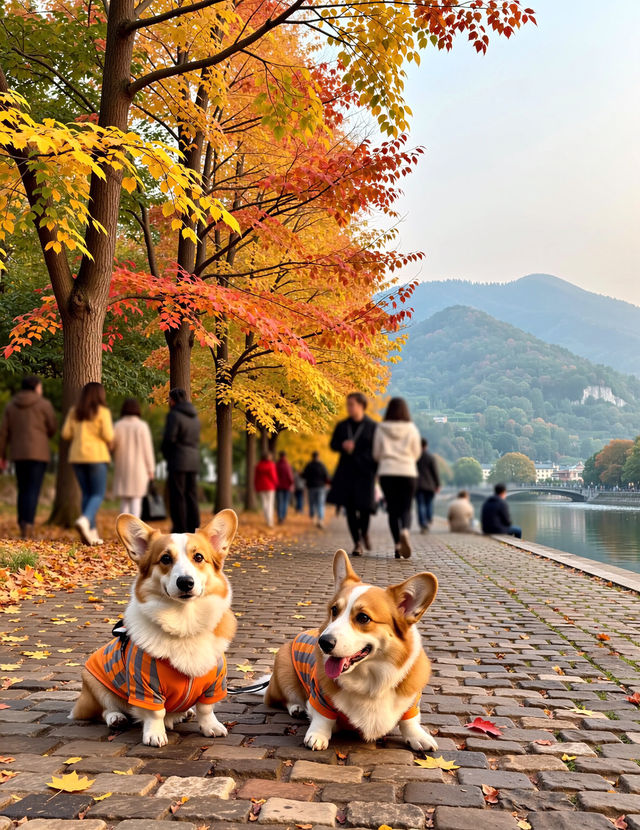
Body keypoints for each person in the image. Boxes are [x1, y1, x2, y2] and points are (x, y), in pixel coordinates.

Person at [0, 375, 57, 539]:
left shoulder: (11, 406)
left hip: (18, 453)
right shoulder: (44, 404)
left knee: (23, 489)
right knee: (33, 489)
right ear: (36, 387)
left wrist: (2, 455)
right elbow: (52, 427)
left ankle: (22, 523)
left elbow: (3, 433)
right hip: (38, 454)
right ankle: (29, 525)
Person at [62, 382, 113, 545]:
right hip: (96, 456)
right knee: (97, 494)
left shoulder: (74, 411)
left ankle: (91, 533)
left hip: (77, 457)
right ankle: (85, 520)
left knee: (87, 494)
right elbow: (108, 435)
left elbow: (66, 434)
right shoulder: (102, 412)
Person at [327, 392, 377, 556]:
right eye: (347, 404)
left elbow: (377, 450)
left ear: (361, 405)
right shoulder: (342, 425)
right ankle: (357, 543)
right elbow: (332, 444)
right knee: (349, 509)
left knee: (365, 508)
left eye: (351, 404)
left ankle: (364, 532)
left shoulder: (372, 426)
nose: (348, 408)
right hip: (347, 472)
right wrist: (343, 445)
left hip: (366, 473)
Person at [373, 397, 422, 559]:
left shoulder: (381, 429)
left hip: (387, 472)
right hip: (407, 472)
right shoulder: (411, 429)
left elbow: (376, 453)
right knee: (406, 508)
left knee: (393, 510)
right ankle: (405, 530)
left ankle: (397, 545)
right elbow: (417, 452)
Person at [161, 388, 201, 534]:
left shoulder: (174, 415)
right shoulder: (195, 417)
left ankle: (180, 528)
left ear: (173, 400)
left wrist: (166, 453)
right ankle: (194, 526)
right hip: (193, 459)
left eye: (169, 399)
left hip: (178, 459)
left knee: (178, 495)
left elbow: (169, 439)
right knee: (191, 494)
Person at [112, 398, 155, 518]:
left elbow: (112, 446)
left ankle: (122, 527)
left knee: (124, 500)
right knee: (136, 500)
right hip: (139, 469)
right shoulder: (142, 426)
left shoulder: (117, 426)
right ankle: (134, 527)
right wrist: (151, 469)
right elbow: (147, 450)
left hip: (122, 468)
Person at [416, 438, 440, 532]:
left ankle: (423, 523)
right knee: (429, 503)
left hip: (418, 485)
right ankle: (429, 519)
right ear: (426, 446)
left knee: (420, 505)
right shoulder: (431, 457)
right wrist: (437, 484)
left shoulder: (415, 457)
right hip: (430, 485)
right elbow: (435, 472)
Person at [302, 451, 330, 528]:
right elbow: (326, 476)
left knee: (312, 503)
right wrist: (327, 483)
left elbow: (304, 475)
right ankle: (320, 519)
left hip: (311, 487)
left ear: (312, 456)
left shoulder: (309, 465)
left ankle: (312, 516)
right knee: (320, 503)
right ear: (318, 456)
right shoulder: (322, 465)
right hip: (321, 487)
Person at [254, 452, 278, 527]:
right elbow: (273, 476)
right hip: (270, 486)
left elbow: (256, 477)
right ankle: (270, 520)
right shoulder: (271, 465)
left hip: (261, 486)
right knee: (270, 503)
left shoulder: (258, 465)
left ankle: (267, 518)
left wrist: (256, 486)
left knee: (264, 504)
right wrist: (276, 483)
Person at [275, 450, 294, 523]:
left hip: (278, 486)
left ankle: (280, 516)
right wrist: (291, 483)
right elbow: (290, 475)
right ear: (285, 456)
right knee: (285, 502)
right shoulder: (287, 465)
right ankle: (283, 516)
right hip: (286, 486)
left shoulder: (277, 465)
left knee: (280, 502)